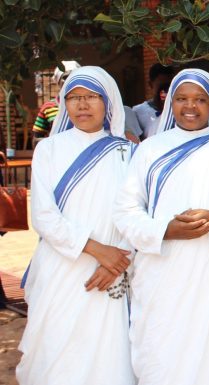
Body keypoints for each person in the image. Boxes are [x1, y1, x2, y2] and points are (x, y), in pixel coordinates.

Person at [113, 68, 209, 384]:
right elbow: (125, 211)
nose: (190, 106)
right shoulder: (150, 149)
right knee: (165, 358)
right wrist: (165, 230)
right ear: (170, 102)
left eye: (200, 99)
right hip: (163, 277)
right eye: (182, 98)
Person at [16, 66, 135, 384]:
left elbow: (136, 216)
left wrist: (117, 263)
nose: (82, 105)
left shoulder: (128, 152)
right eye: (74, 97)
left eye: (91, 97)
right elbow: (43, 216)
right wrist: (99, 251)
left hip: (111, 273)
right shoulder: (49, 149)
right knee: (56, 354)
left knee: (107, 357)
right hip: (61, 269)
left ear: (108, 101)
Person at [31, 61, 81, 138]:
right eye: (65, 77)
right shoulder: (48, 107)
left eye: (73, 77)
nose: (69, 80)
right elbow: (38, 136)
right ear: (58, 81)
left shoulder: (89, 105)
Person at [132, 63, 174, 139]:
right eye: (162, 86)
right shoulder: (137, 112)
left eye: (170, 86)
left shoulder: (179, 111)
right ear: (151, 85)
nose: (166, 90)